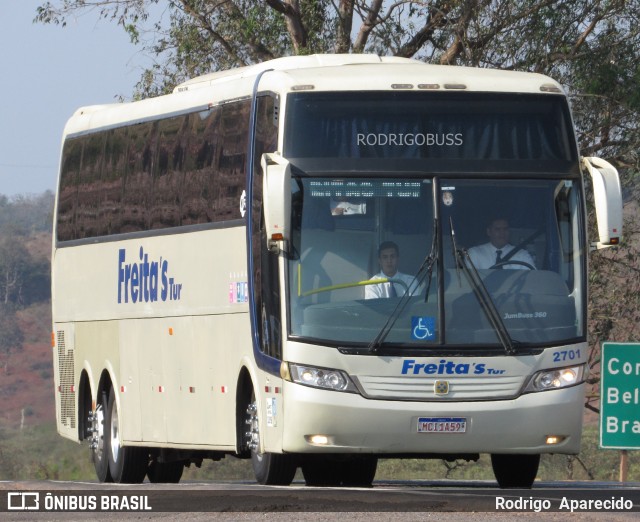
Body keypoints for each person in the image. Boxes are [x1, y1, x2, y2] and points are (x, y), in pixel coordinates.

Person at [467, 218, 535, 270]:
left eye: (505, 229)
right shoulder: (474, 254)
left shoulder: (522, 255)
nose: (502, 233)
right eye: (497, 229)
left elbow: (532, 279)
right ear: (489, 232)